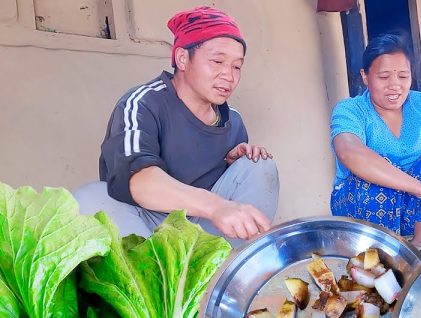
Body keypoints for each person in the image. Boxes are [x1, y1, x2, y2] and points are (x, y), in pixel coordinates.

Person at [74, 6, 278, 246]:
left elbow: (229, 195)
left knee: (259, 165)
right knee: (91, 198)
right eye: (217, 61)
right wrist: (216, 206)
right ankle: (147, 276)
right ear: (182, 58)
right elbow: (137, 179)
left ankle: (230, 273)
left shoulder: (232, 120)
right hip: (145, 224)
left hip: (201, 229)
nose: (229, 75)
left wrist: (233, 164)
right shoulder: (142, 102)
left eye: (236, 66)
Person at [329, 33, 421, 253]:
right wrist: (418, 187)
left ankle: (420, 244)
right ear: (365, 76)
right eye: (384, 77)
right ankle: (381, 252)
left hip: (415, 212)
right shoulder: (350, 110)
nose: (395, 86)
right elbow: (349, 152)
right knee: (373, 171)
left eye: (403, 76)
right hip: (361, 208)